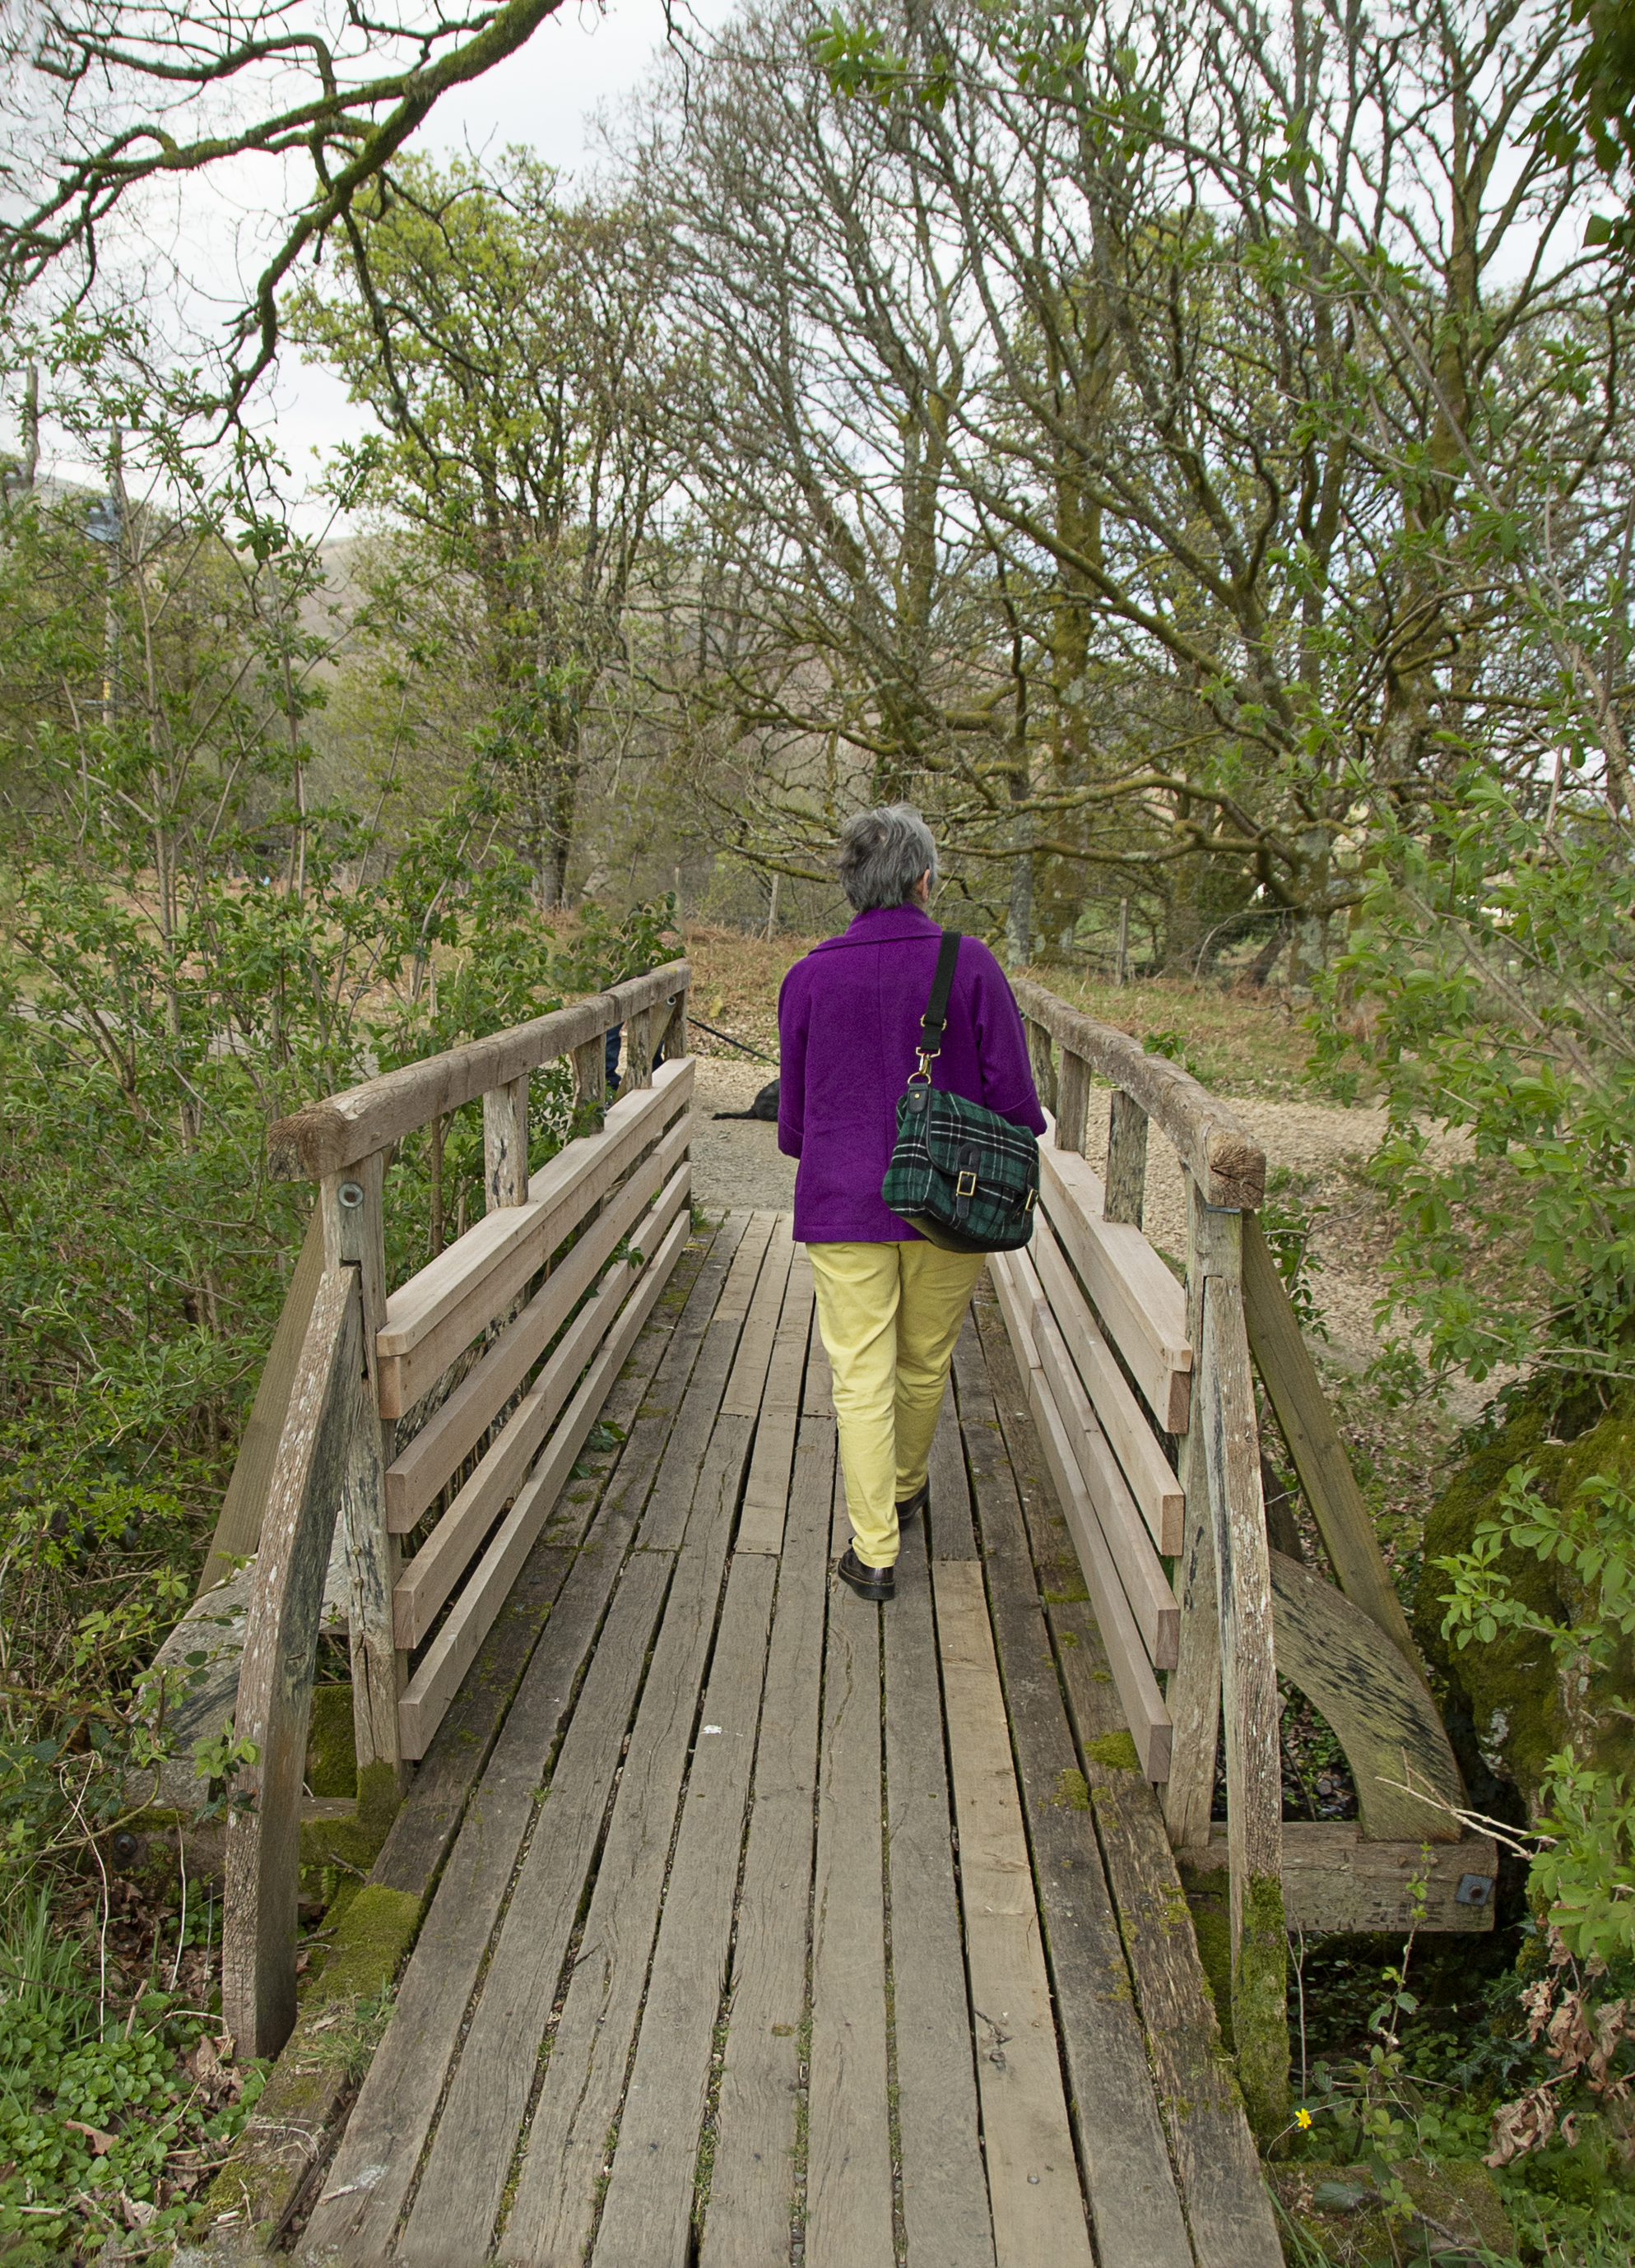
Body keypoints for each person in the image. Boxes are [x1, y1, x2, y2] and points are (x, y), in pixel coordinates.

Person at [778, 805, 1046, 1601]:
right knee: (925, 1360)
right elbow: (1017, 1107)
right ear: (926, 880)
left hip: (843, 1200)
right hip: (951, 1203)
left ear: (851, 885)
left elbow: (794, 1123)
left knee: (858, 1374)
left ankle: (874, 1552)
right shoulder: (972, 966)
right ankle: (904, 1485)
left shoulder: (810, 975)